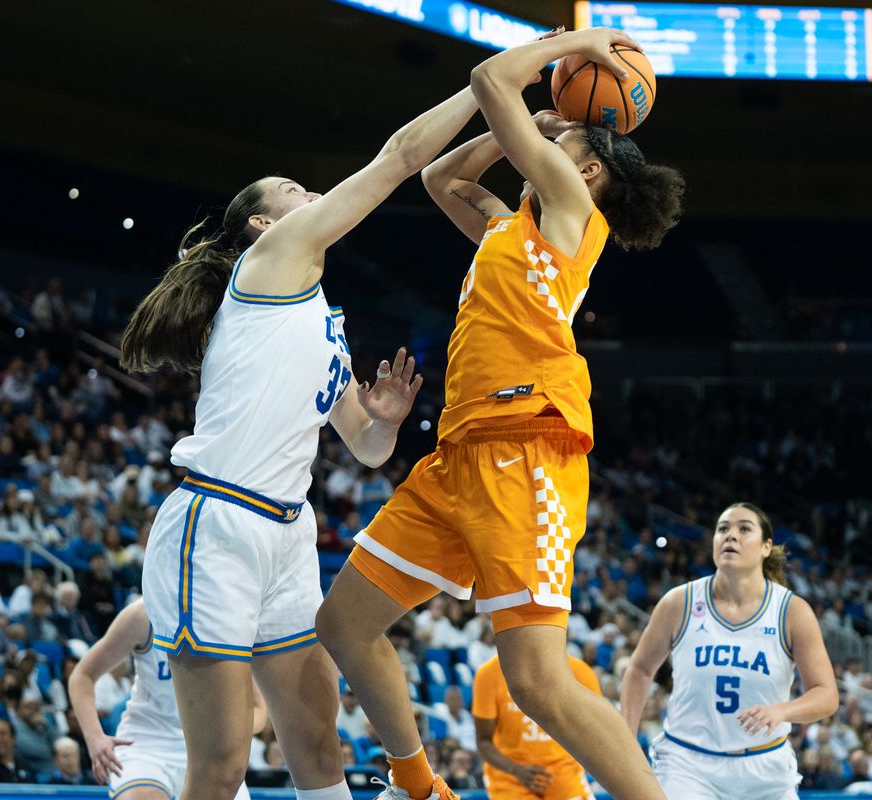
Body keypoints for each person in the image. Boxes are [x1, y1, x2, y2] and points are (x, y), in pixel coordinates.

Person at [316, 25, 683, 800]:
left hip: (527, 448)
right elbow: (441, 179)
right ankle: (422, 790)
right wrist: (523, 127)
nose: (543, 126)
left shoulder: (571, 213)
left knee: (537, 683)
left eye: (561, 133)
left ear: (584, 170)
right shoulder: (504, 227)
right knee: (342, 626)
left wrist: (573, 43)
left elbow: (490, 75)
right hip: (458, 456)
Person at [121, 55, 488, 800]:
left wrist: (382, 420)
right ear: (262, 222)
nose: (313, 193)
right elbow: (400, 159)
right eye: (295, 190)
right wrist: (489, 88)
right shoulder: (265, 263)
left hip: (288, 531)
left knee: (319, 750)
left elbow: (366, 447)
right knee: (221, 767)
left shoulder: (322, 319)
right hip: (217, 522)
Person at [620, 503, 839, 800]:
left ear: (766, 547)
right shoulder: (680, 602)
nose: (730, 536)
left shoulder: (791, 611)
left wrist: (781, 711)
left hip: (765, 768)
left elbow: (826, 694)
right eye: (723, 529)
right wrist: (626, 743)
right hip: (687, 763)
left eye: (744, 529)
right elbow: (640, 669)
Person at [69, 599, 267, 800]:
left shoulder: (229, 618)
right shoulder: (142, 615)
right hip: (148, 745)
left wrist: (226, 731)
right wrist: (94, 737)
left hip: (209, 749)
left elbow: (259, 709)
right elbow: (82, 676)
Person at [472, 653, 600, 800]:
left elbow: (592, 733)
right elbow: (483, 742)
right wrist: (515, 770)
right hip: (509, 776)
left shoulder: (581, 672)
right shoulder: (488, 674)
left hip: (565, 772)